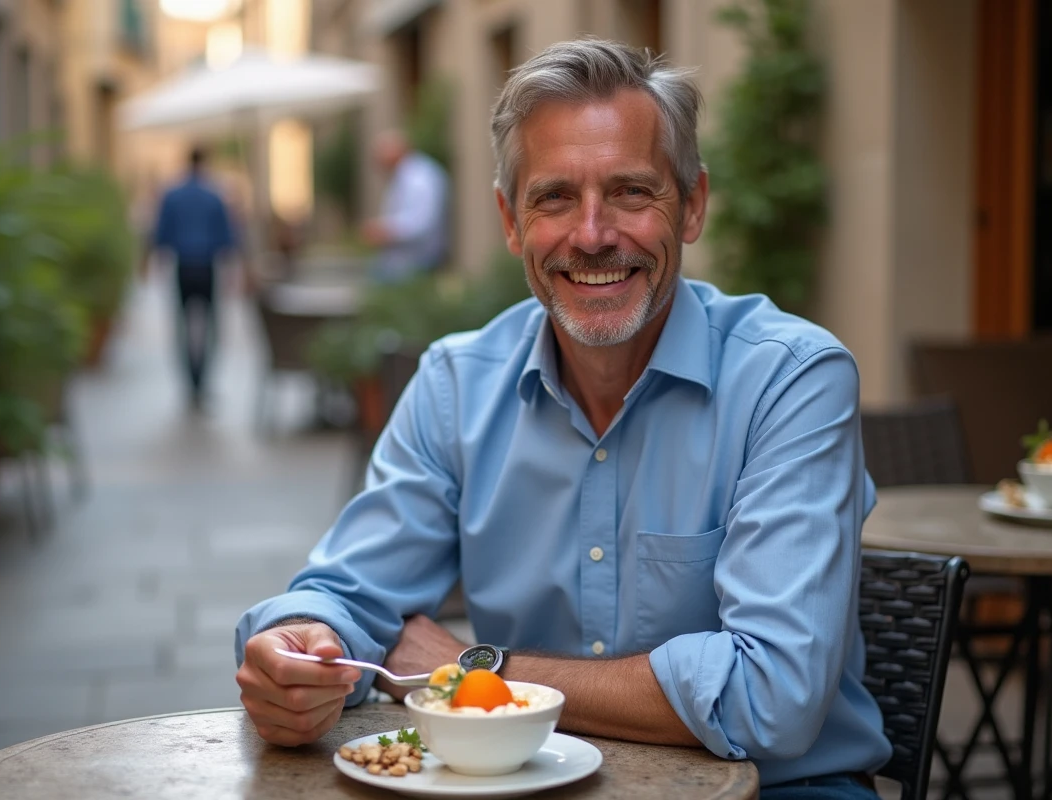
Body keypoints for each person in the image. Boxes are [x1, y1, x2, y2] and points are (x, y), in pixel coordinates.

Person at [235, 39, 891, 797]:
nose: (591, 234)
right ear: (511, 222)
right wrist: (299, 647)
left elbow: (772, 698)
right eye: (553, 198)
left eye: (631, 192)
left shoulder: (790, 380)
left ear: (694, 205)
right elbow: (346, 598)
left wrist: (475, 673)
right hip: (530, 782)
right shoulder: (457, 383)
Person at [148, 146, 239, 410]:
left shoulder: (173, 194)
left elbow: (160, 234)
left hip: (184, 266)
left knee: (183, 327)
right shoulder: (214, 195)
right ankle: (203, 381)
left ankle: (190, 382)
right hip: (206, 267)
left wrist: (148, 263)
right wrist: (235, 272)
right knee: (210, 326)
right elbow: (227, 238)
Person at [360, 130, 450, 283]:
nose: (376, 161)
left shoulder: (420, 178)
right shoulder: (406, 175)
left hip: (417, 263)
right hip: (402, 264)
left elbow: (422, 223)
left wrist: (384, 232)